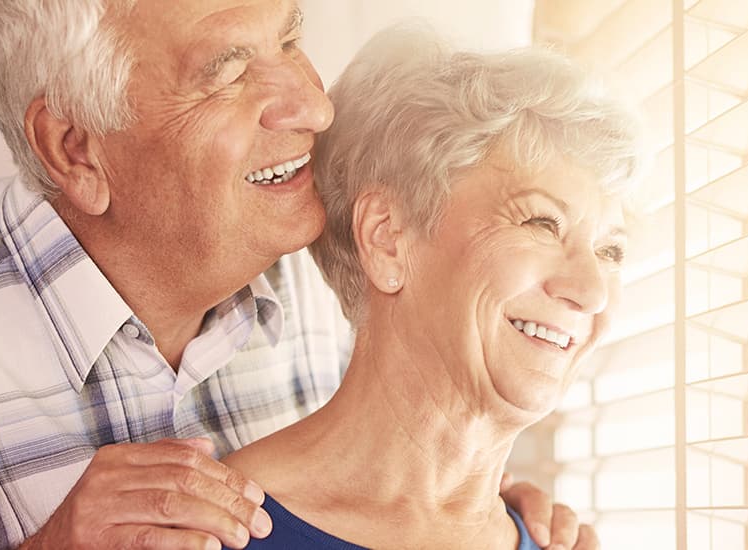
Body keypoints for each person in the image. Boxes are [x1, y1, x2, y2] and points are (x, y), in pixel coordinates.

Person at [0, 1, 594, 549]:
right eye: (231, 70)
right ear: (76, 147)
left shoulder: (322, 283)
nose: (313, 104)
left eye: (289, 37)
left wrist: (459, 515)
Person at [221, 24, 642, 549]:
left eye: (611, 251)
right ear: (389, 239)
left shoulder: (548, 540)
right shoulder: (212, 535)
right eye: (540, 223)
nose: (592, 290)